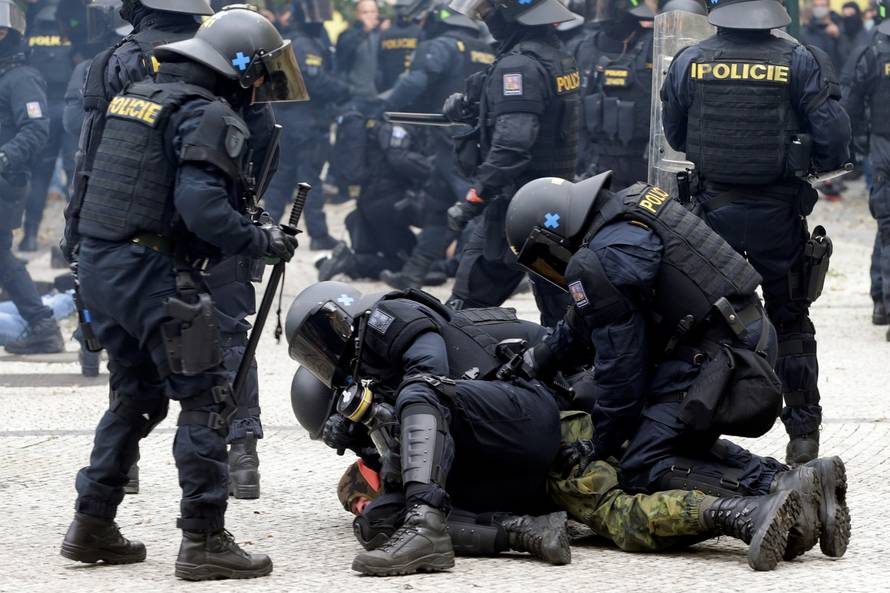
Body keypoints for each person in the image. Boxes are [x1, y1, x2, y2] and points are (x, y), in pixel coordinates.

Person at [285, 289, 840, 572]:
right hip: (579, 399)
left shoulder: (408, 370)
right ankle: (789, 484)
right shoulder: (451, 324)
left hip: (555, 434)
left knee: (622, 510)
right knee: (656, 460)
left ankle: (746, 514)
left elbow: (416, 444)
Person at [57, 6, 304, 580]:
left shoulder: (138, 94)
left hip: (102, 266)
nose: (261, 88)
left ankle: (91, 523)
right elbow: (203, 210)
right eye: (260, 76)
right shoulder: (209, 115)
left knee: (135, 397)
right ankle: (205, 539)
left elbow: (91, 179)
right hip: (153, 274)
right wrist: (261, 240)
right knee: (207, 399)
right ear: (241, 68)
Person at [504, 173, 850, 562]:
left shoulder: (603, 256)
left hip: (717, 362)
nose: (552, 268)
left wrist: (597, 445)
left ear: (554, 230)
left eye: (544, 256)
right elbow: (589, 319)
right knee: (672, 442)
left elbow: (623, 374)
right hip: (740, 335)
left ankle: (780, 491)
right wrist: (540, 359)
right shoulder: (626, 211)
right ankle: (798, 481)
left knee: (641, 463)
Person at [660, 0, 852, 464]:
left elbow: (676, 136)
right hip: (779, 214)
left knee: (701, 323)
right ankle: (803, 435)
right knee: (791, 321)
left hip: (711, 216)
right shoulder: (801, 60)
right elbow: (834, 141)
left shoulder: (689, 60)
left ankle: (688, 432)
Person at [442, 0, 579, 327]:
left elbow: (512, 145)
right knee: (563, 316)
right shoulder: (556, 55)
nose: (485, 19)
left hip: (515, 208)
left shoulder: (519, 66)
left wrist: (474, 199)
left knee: (465, 310)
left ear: (511, 13)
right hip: (554, 204)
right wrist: (472, 108)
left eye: (487, 12)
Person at [375, 1, 496, 290]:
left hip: (452, 141)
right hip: (467, 139)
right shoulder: (484, 49)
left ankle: (487, 274)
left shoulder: (441, 45)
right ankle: (413, 274)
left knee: (472, 207)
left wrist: (382, 106)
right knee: (437, 207)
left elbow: (415, 82)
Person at [0, 0, 62, 355]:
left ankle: (42, 323)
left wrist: (6, 156)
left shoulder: (21, 78)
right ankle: (41, 324)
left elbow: (37, 128)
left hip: (5, 183)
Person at [263, 0, 350, 250]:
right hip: (305, 123)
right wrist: (345, 90)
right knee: (309, 181)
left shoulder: (291, 39)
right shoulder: (304, 43)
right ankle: (318, 235)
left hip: (288, 120)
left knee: (281, 181)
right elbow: (316, 81)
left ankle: (266, 231)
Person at [318, 118, 434, 282]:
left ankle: (348, 261)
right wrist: (435, 169)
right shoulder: (397, 127)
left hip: (370, 203)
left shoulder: (378, 126)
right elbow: (399, 159)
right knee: (406, 264)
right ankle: (352, 263)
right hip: (388, 205)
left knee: (385, 253)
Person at [843, 0, 890, 337]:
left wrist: (857, 149)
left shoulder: (872, 53)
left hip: (881, 147)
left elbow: (851, 106)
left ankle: (882, 301)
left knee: (887, 225)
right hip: (881, 146)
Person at [575, 0, 654, 186]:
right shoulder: (584, 48)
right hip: (595, 161)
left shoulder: (656, 44)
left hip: (642, 161)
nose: (602, 13)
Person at [18, 1, 71, 253]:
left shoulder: (30, 27)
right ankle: (75, 239)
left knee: (40, 176)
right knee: (75, 177)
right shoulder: (74, 25)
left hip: (42, 107)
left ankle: (29, 236)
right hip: (72, 107)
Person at [336, 0, 380, 107]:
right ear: (357, 15)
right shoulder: (347, 34)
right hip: (353, 97)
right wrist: (363, 31)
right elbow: (343, 54)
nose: (370, 15)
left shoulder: (379, 35)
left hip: (375, 95)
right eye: (365, 12)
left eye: (373, 12)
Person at [377, 0, 422, 93]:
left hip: (388, 89)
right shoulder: (419, 32)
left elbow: (379, 65)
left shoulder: (385, 34)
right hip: (410, 88)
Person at [801, 0, 846, 73]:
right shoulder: (807, 29)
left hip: (835, 74)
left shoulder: (840, 26)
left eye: (822, 5)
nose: (819, 9)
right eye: (816, 6)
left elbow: (846, 56)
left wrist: (838, 37)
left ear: (828, 7)